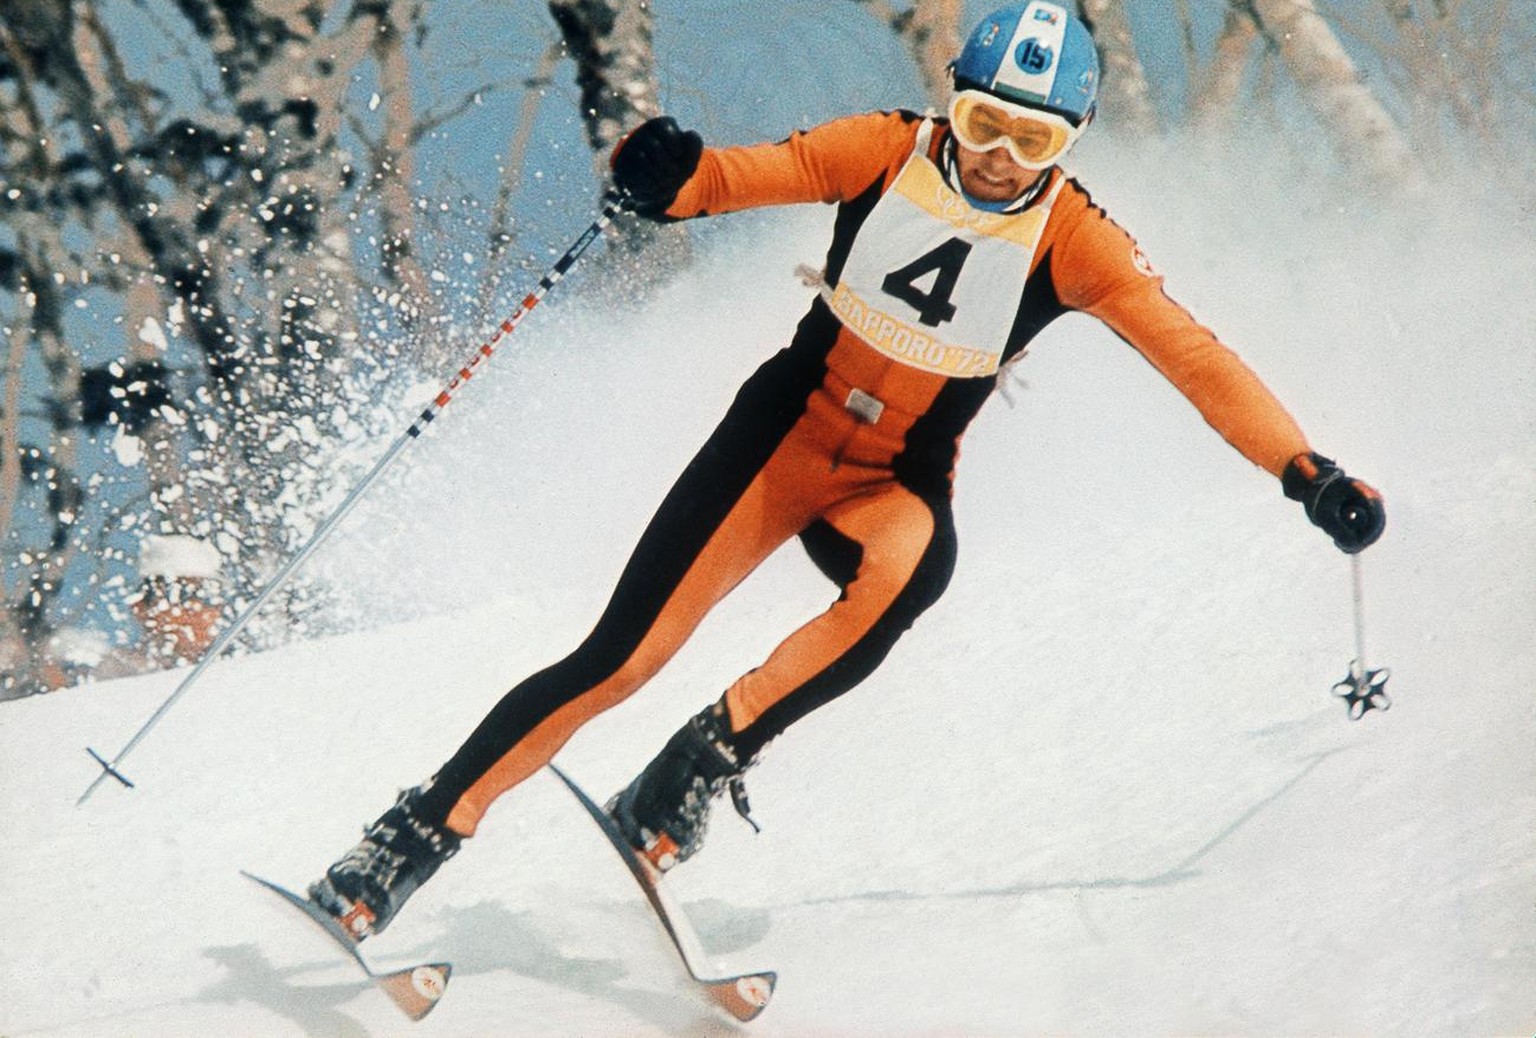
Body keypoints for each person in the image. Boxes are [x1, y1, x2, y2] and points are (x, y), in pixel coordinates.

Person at [309, 0, 1385, 941]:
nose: (1001, 157)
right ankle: (407, 839)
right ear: (952, 104)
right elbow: (737, 177)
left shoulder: (1076, 243)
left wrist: (1306, 470)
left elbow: (1194, 358)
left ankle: (699, 763)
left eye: (1034, 138)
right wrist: (667, 175)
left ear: (1073, 142)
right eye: (983, 124)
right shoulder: (886, 150)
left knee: (917, 567)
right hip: (779, 442)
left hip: (890, 479)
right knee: (621, 660)